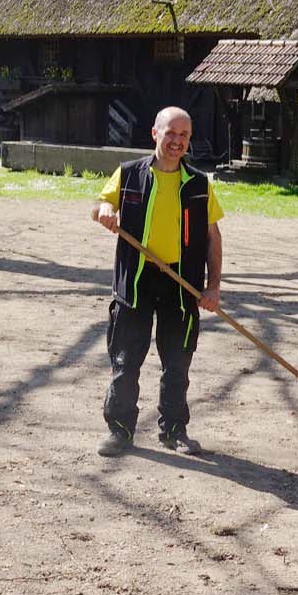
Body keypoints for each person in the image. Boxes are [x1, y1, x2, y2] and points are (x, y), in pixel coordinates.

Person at [91, 106, 224, 457]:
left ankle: (174, 431)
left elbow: (212, 236)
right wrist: (106, 210)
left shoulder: (199, 184)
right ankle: (119, 430)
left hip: (181, 283)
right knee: (125, 362)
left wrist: (213, 287)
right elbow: (100, 205)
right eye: (170, 133)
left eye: (184, 135)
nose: (177, 141)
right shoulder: (129, 174)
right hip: (136, 281)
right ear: (155, 133)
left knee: (178, 364)